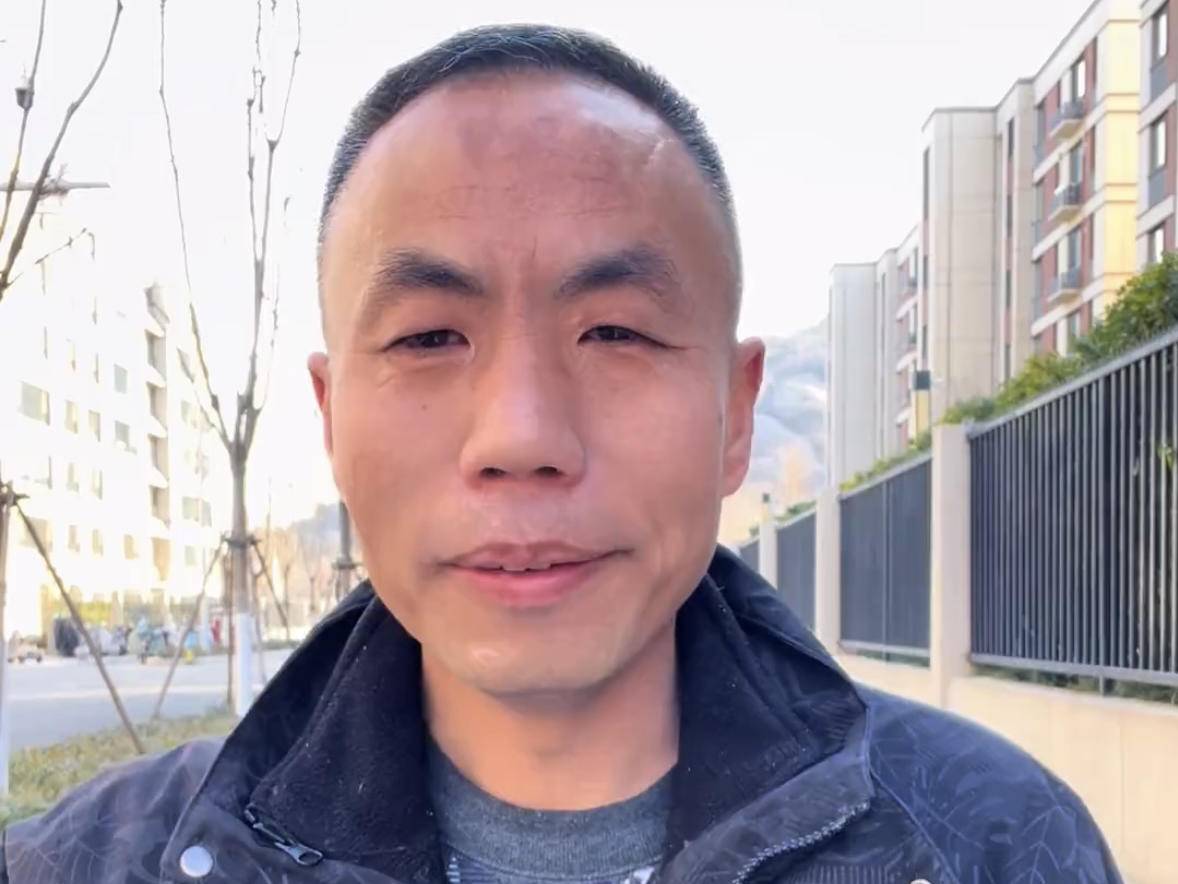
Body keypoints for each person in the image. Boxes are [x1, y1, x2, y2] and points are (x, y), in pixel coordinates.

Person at [1, 25, 1121, 884]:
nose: (521, 437)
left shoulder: (989, 842)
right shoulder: (95, 863)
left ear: (735, 416)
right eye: (429, 338)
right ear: (332, 419)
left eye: (616, 333)